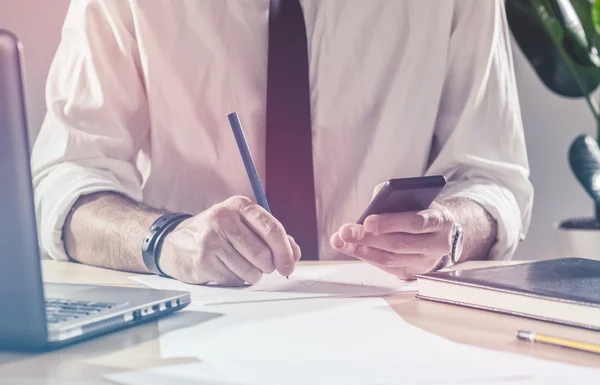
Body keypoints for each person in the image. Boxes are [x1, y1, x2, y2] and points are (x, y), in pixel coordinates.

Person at [31, 0, 533, 287]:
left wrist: (449, 232)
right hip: (194, 316)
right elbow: (64, 183)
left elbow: (493, 180)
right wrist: (166, 238)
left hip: (391, 320)